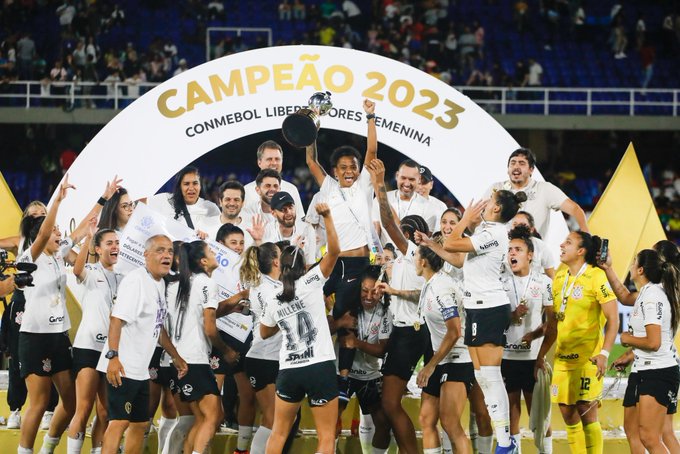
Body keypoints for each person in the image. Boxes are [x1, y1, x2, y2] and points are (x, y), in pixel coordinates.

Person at [17, 175, 118, 454]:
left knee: (71, 402)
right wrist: (57, 202)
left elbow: (85, 227)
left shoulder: (57, 255)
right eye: (55, 231)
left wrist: (104, 197)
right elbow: (42, 234)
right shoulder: (30, 257)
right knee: (39, 402)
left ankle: (48, 448)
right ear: (42, 235)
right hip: (34, 337)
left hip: (59, 337)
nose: (61, 235)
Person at [442, 188, 529, 453]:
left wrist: (465, 219)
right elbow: (457, 258)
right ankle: (505, 441)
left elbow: (451, 243)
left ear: (496, 209)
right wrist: (430, 244)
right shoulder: (487, 232)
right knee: (482, 376)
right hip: (478, 308)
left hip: (489, 308)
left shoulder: (493, 233)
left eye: (490, 200)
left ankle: (505, 443)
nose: (484, 203)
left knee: (491, 377)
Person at [304, 99, 377, 401]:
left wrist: (370, 117)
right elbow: (311, 160)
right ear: (334, 170)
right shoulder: (329, 187)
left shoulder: (364, 186)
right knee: (308, 308)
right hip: (329, 264)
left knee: (346, 320)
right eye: (343, 167)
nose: (349, 171)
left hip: (357, 264)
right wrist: (311, 124)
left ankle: (343, 380)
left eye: (353, 167)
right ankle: (308, 364)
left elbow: (372, 151)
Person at [96, 234, 188, 454]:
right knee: (118, 423)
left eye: (169, 251)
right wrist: (113, 357)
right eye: (160, 250)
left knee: (139, 424)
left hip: (140, 371)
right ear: (146, 255)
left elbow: (158, 327)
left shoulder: (157, 283)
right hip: (123, 368)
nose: (167, 255)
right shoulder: (136, 280)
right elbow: (116, 319)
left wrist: (175, 356)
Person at [260, 203, 340, 454]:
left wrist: (284, 321)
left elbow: (264, 332)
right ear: (304, 265)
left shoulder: (273, 297)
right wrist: (327, 216)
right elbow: (335, 251)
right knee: (326, 438)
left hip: (289, 368)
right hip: (319, 366)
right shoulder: (312, 281)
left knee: (279, 433)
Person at [535, 231, 619, 454]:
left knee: (586, 411)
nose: (561, 245)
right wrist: (538, 346)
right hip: (562, 358)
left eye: (568, 243)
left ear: (581, 251)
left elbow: (613, 319)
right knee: (567, 413)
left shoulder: (596, 276)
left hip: (587, 359)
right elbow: (554, 321)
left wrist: (604, 353)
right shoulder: (560, 277)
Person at [366, 158, 425, 454]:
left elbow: (388, 222)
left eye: (404, 230)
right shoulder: (412, 259)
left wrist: (380, 185)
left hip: (407, 334)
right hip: (410, 332)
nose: (396, 234)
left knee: (389, 404)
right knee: (392, 405)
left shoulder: (415, 252)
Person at [602, 241, 680, 454]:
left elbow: (654, 342)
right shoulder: (651, 292)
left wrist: (627, 339)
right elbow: (625, 297)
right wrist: (608, 268)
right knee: (635, 431)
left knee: (651, 436)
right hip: (644, 367)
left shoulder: (656, 295)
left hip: (658, 369)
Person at [67, 222, 123, 453]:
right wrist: (87, 242)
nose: (115, 247)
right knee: (83, 408)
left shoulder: (123, 277)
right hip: (88, 347)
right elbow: (77, 270)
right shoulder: (91, 272)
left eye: (117, 243)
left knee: (105, 411)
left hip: (109, 351)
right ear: (98, 249)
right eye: (109, 243)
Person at [414, 240, 473, 454]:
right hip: (442, 357)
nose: (413, 260)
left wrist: (430, 366)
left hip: (458, 358)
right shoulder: (430, 284)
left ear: (423, 262)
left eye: (415, 256)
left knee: (450, 423)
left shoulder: (441, 288)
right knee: (426, 418)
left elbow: (455, 331)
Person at [172, 240, 229, 453]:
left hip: (180, 358)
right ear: (204, 261)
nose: (215, 254)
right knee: (214, 416)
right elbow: (210, 329)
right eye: (211, 251)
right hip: (194, 359)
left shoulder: (183, 282)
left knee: (201, 418)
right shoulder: (207, 283)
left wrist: (234, 303)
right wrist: (226, 350)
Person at [501, 225, 553, 452]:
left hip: (533, 358)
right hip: (507, 355)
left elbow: (552, 324)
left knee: (539, 413)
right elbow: (491, 321)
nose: (512, 253)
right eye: (510, 249)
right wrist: (511, 316)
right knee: (511, 409)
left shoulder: (544, 283)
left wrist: (534, 337)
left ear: (530, 255)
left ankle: (545, 450)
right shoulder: (500, 281)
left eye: (518, 249)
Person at [212, 223, 257, 454]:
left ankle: (241, 449)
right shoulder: (210, 271)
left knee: (248, 396)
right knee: (212, 405)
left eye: (241, 243)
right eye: (233, 243)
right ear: (220, 246)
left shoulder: (249, 270)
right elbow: (212, 311)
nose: (238, 248)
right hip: (218, 339)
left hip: (243, 338)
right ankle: (204, 446)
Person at [338, 265, 392, 454]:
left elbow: (383, 350)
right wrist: (339, 323)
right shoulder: (347, 303)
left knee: (383, 424)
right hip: (345, 374)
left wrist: (357, 343)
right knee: (331, 419)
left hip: (371, 375)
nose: (369, 297)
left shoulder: (386, 312)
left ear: (382, 291)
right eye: (364, 291)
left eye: (374, 292)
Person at [484, 148, 588, 238]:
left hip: (534, 256)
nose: (516, 166)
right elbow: (480, 215)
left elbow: (575, 209)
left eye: (521, 163)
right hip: (499, 255)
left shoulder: (545, 189)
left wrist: (586, 233)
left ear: (531, 170)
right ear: (508, 169)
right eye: (513, 163)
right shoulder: (496, 188)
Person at [372, 159, 440, 235]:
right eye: (403, 178)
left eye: (411, 179)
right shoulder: (378, 200)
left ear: (419, 179)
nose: (407, 184)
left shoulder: (429, 208)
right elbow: (374, 236)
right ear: (397, 176)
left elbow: (424, 244)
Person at [147, 166, 220, 237]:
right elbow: (139, 203)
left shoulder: (210, 208)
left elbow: (218, 236)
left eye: (195, 183)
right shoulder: (165, 199)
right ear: (180, 186)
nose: (191, 188)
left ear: (200, 186)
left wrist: (207, 237)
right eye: (186, 184)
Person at [243, 140, 305, 218]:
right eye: (269, 159)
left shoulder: (291, 189)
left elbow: (300, 221)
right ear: (259, 162)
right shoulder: (246, 191)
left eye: (277, 159)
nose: (274, 163)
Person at [262, 191, 317, 267]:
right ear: (273, 213)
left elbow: (310, 264)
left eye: (291, 207)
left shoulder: (307, 229)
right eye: (283, 209)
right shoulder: (266, 231)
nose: (289, 212)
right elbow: (266, 267)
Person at [204, 180, 254, 246]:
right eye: (228, 199)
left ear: (242, 203)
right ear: (220, 202)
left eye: (236, 200)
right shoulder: (205, 226)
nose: (232, 203)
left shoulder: (252, 230)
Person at [511, 211, 556, 278]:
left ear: (531, 229)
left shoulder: (541, 246)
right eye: (515, 224)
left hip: (534, 286)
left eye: (522, 225)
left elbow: (551, 276)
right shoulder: (503, 244)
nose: (518, 228)